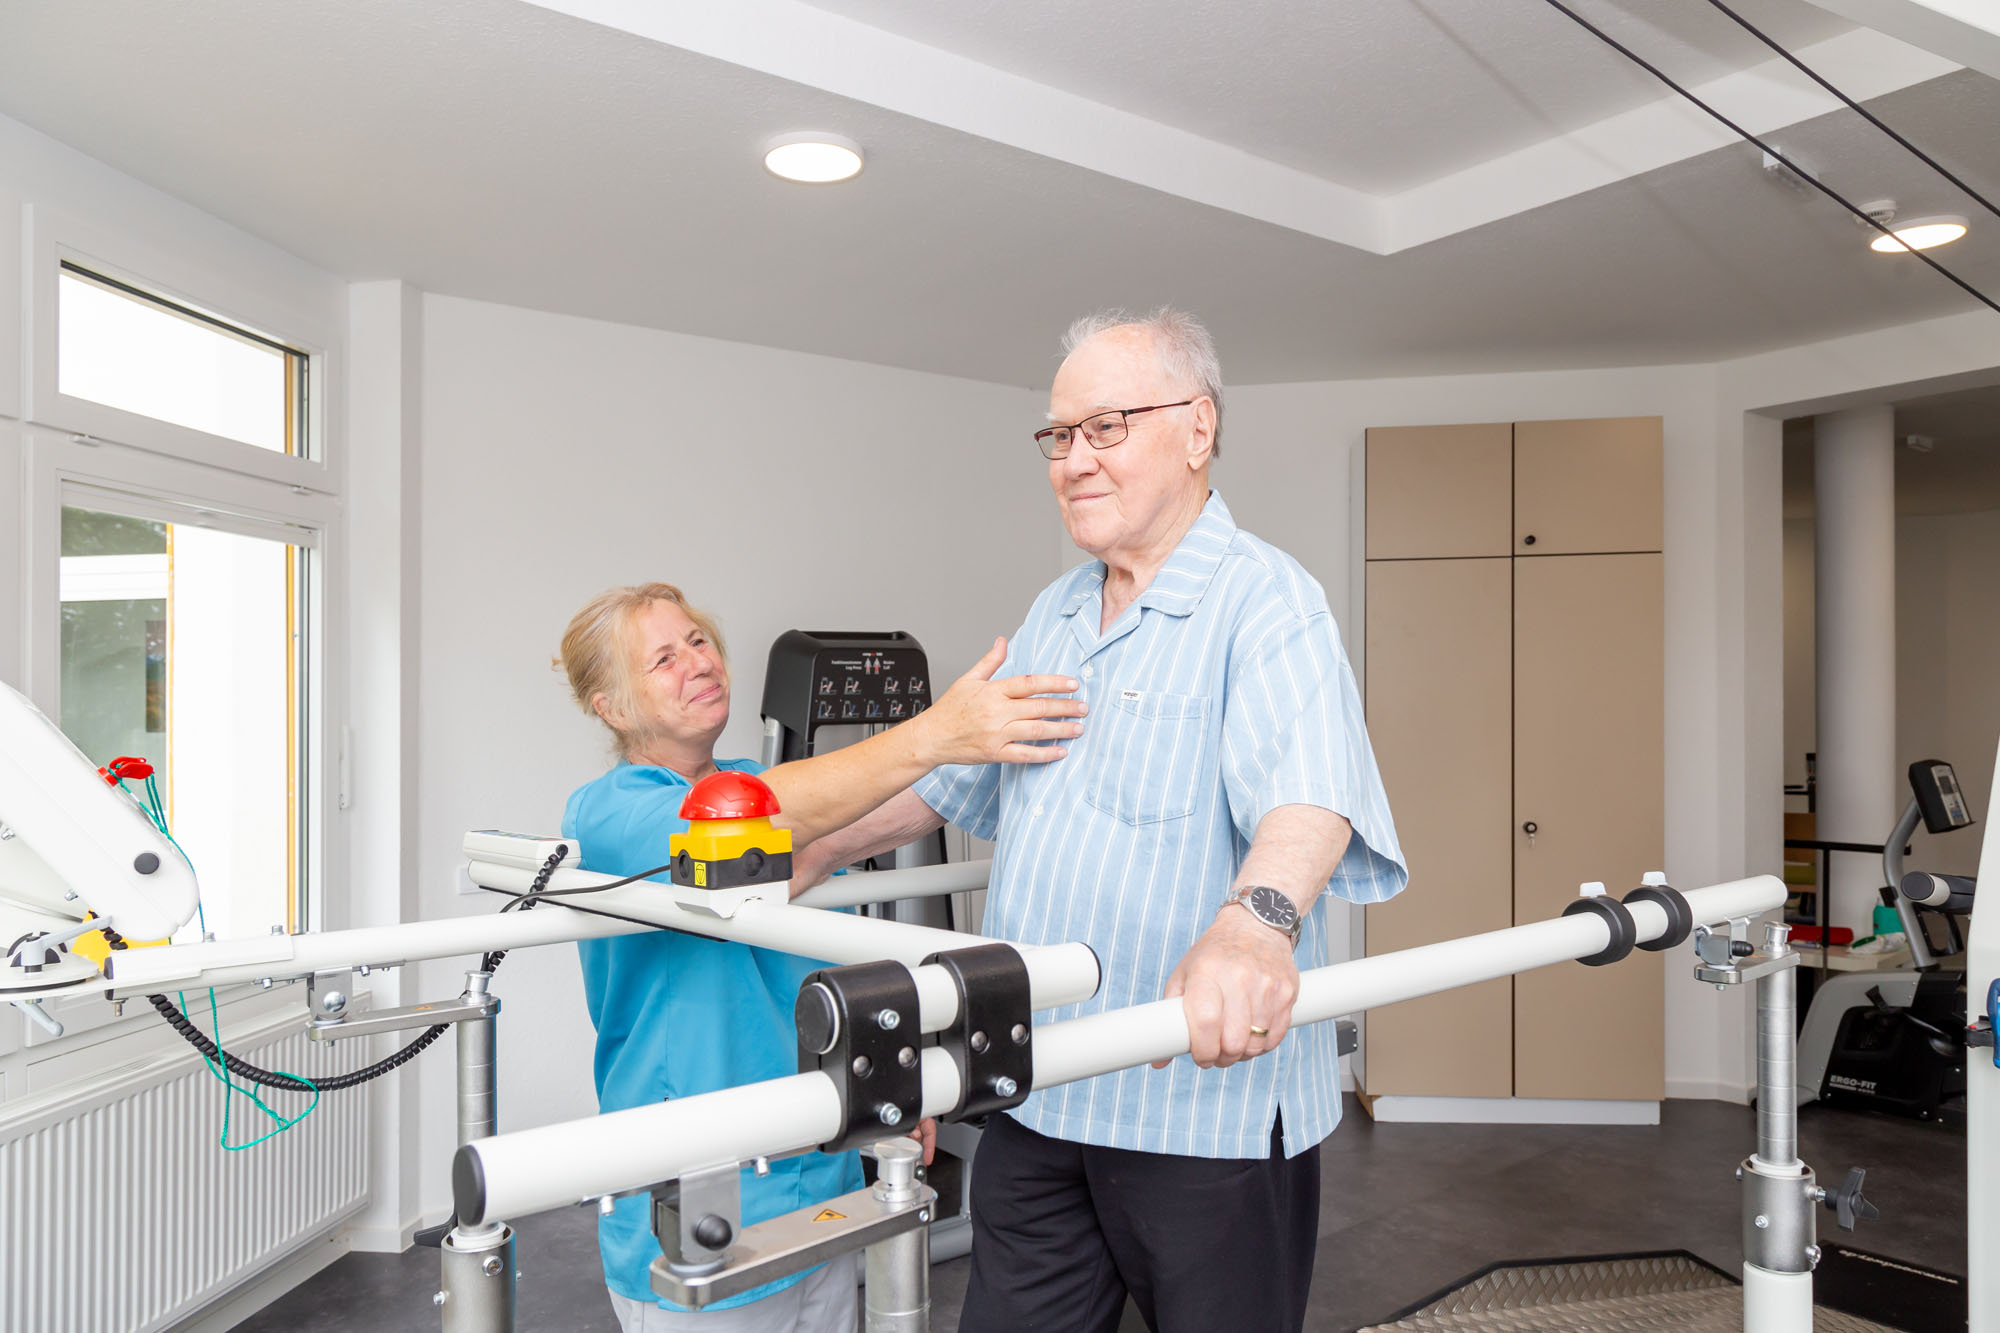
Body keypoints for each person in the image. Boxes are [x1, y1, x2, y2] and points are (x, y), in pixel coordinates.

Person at [799, 309, 1408, 1332]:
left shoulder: (1265, 601)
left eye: (1104, 428)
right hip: (1039, 1093)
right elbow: (962, 781)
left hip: (1197, 1115)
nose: (1072, 461)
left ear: (1196, 429)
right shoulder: (1057, 611)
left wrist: (1253, 924)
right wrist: (812, 849)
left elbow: (1310, 792)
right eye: (1058, 436)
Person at [553, 581, 1086, 1333]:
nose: (696, 663)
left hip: (818, 1185)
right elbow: (758, 817)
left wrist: (890, 1089)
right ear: (610, 706)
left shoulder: (761, 786)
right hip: (702, 1199)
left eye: (699, 641)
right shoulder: (611, 811)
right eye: (662, 659)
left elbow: (837, 851)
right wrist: (936, 733)